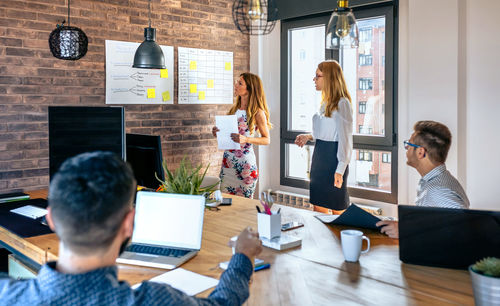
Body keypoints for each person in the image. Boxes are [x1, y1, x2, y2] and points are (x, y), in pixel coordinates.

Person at [0, 151, 263, 305]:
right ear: (129, 223)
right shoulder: (156, 299)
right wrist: (242, 256)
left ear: (52, 219)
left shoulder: (7, 296)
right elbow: (223, 302)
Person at [377, 121, 470, 238]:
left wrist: (407, 229)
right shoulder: (438, 179)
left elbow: (463, 229)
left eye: (409, 145)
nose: (406, 149)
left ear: (420, 152)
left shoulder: (438, 190)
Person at [295, 60, 353, 211]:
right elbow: (325, 132)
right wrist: (309, 136)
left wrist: (340, 170)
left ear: (329, 78)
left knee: (337, 213)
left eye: (317, 76)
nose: (314, 79)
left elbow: (345, 140)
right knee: (318, 211)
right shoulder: (325, 103)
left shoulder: (342, 104)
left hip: (333, 161)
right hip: (319, 158)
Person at [212, 72, 272, 198]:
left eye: (240, 83)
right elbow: (229, 134)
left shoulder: (258, 112)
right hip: (227, 165)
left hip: (245, 167)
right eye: (237, 82)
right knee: (225, 204)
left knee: (243, 208)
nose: (236, 85)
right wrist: (218, 132)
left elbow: (267, 140)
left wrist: (246, 139)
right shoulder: (234, 109)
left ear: (250, 88)